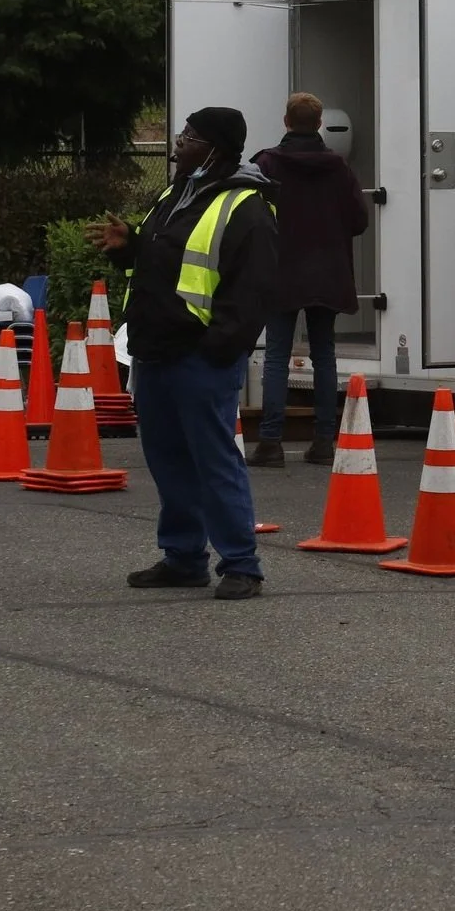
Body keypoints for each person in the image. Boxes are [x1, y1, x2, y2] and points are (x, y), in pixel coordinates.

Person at [89, 107, 277, 600]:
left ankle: (241, 564)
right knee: (168, 459)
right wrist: (130, 246)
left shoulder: (247, 207)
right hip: (155, 350)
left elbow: (253, 290)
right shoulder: (175, 192)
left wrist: (218, 348)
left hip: (200, 357)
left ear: (216, 148)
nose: (179, 141)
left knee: (214, 460)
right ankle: (184, 558)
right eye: (183, 133)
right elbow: (165, 261)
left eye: (191, 136)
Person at [249, 93, 369, 467]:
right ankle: (323, 442)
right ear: (319, 124)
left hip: (280, 271)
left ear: (286, 121)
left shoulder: (267, 164)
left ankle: (270, 443)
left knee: (276, 356)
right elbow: (359, 220)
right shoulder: (338, 167)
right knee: (324, 354)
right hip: (327, 272)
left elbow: (250, 217)